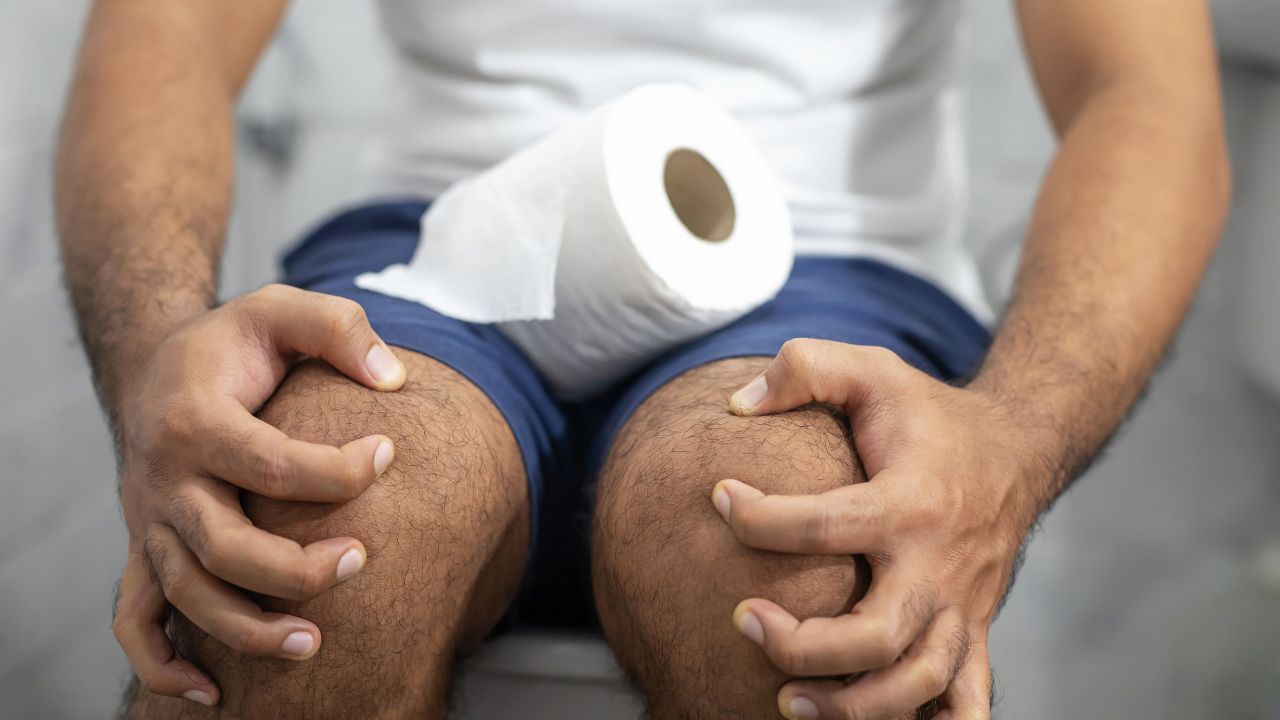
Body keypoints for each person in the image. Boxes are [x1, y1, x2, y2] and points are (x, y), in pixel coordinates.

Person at [55, 0, 1228, 718]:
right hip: (454, 228)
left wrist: (1011, 440)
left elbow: (1143, 88)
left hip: (827, 249)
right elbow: (169, 19)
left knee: (799, 563)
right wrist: (157, 349)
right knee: (307, 533)